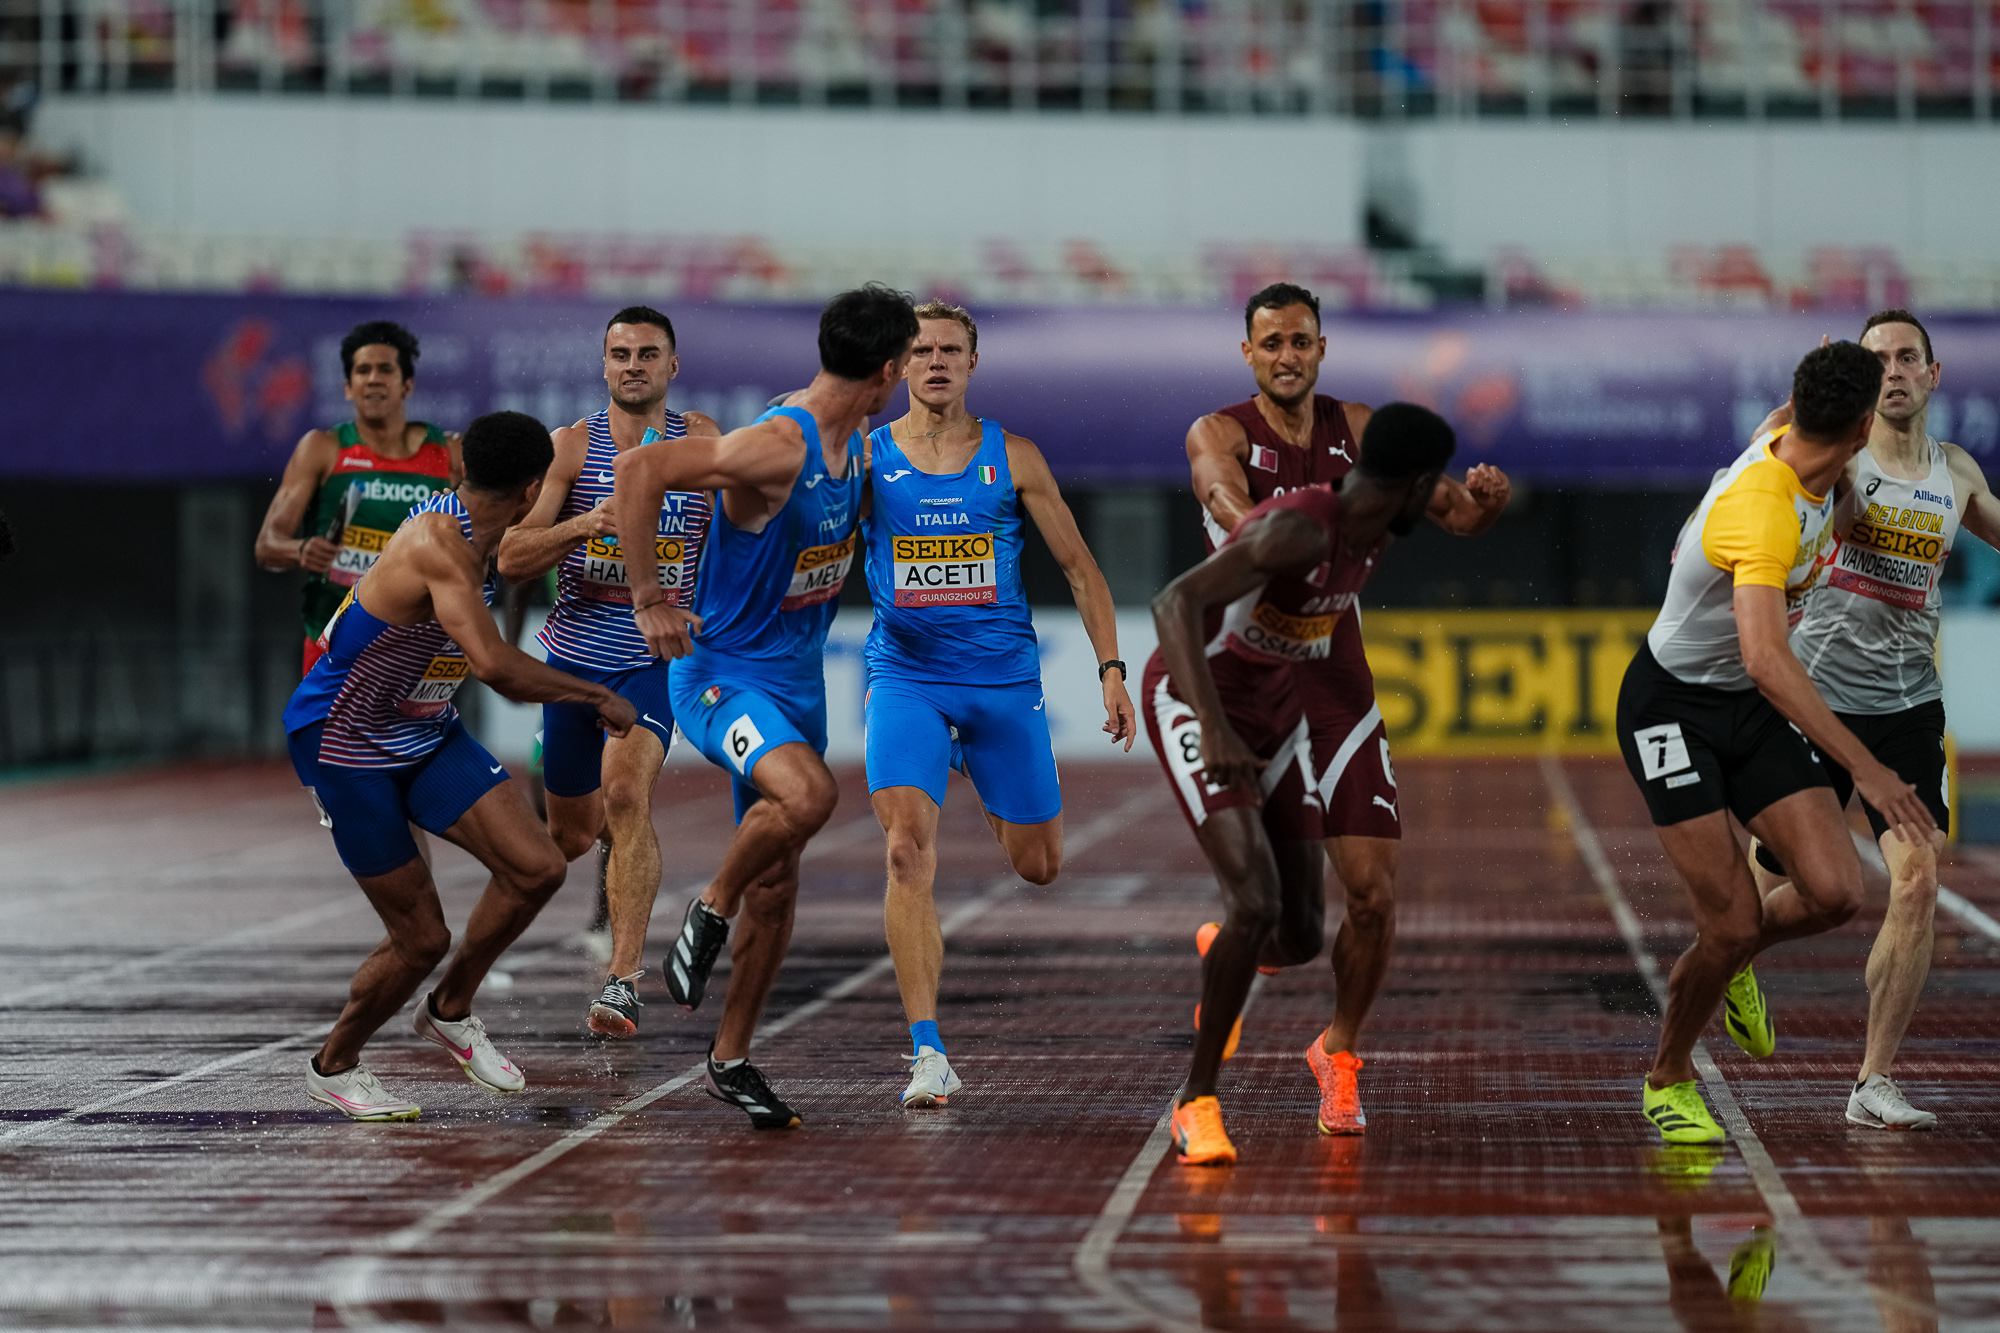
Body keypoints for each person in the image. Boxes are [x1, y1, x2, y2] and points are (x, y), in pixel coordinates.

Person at [1182, 282, 1511, 1135]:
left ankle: (1339, 1051)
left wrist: (1487, 508)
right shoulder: (1219, 433)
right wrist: (1280, 529)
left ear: (1321, 348)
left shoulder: (1362, 429)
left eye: (1301, 341)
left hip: (1336, 679)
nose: (1287, 356)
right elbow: (1225, 503)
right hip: (1249, 677)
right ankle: (1233, 950)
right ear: (1248, 353)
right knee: (1285, 927)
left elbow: (1456, 517)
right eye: (1271, 343)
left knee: (1372, 895)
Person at [612, 283, 919, 1130]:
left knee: (779, 887)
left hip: (795, 684)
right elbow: (640, 469)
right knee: (810, 796)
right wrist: (649, 597)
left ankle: (731, 1057)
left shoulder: (854, 441)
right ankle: (709, 908)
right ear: (885, 371)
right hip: (721, 678)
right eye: (907, 365)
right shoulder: (782, 444)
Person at [1616, 340, 1935, 1146]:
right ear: (1861, 429)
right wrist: (1868, 768)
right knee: (1727, 923)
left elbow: (1787, 415)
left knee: (1835, 893)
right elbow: (1764, 658)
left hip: (1740, 708)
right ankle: (1668, 1078)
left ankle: (1731, 961)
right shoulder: (1764, 510)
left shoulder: (1805, 446)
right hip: (1671, 709)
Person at [285, 411, 637, 1123]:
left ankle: (449, 1008)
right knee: (421, 938)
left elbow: (524, 559)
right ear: (532, 488)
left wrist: (581, 530)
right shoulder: (438, 541)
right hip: (346, 741)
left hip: (424, 726)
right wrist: (595, 693)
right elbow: (494, 666)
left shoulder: (492, 532)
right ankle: (334, 1065)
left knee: (538, 867)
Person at [1146, 402, 1459, 1166]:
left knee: (1298, 934)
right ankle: (1196, 1103)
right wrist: (1214, 727)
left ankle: (1225, 948)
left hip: (1279, 710)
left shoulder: (1376, 527)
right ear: (1414, 485)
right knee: (1255, 899)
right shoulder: (1301, 529)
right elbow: (1174, 601)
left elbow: (1465, 519)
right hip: (1196, 702)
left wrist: (1484, 498)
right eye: (1436, 486)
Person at [862, 301, 1136, 1108]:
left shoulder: (1013, 456)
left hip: (1002, 683)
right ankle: (928, 1050)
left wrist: (1112, 668)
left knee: (1038, 865)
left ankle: (971, 760)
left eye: (950, 350)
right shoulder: (868, 459)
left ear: (973, 363)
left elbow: (1080, 568)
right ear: (898, 365)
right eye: (921, 351)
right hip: (905, 677)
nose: (936, 362)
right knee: (905, 851)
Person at [1751, 309, 2000, 1131]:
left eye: (1906, 357)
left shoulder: (1956, 472)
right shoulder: (1837, 454)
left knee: (1919, 876)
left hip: (1907, 710)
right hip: (1817, 701)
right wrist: (1803, 401)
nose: (1893, 370)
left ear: (1932, 374)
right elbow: (1760, 457)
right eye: (1877, 360)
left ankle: (1873, 1080)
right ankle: (1730, 951)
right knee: (1774, 886)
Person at [496, 306, 722, 1039]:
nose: (633, 365)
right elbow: (510, 556)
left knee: (626, 792)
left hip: (655, 659)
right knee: (568, 837)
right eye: (620, 354)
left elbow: (743, 534)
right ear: (603, 365)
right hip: (573, 661)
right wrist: (583, 525)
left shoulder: (701, 440)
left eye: (648, 354)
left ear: (672, 366)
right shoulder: (571, 446)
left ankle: (622, 980)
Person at [255, 321, 461, 675]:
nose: (374, 379)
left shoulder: (451, 454)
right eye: (363, 371)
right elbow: (266, 546)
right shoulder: (321, 449)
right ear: (348, 388)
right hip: (333, 646)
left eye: (386, 369)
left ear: (407, 384)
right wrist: (302, 550)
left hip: (415, 648)